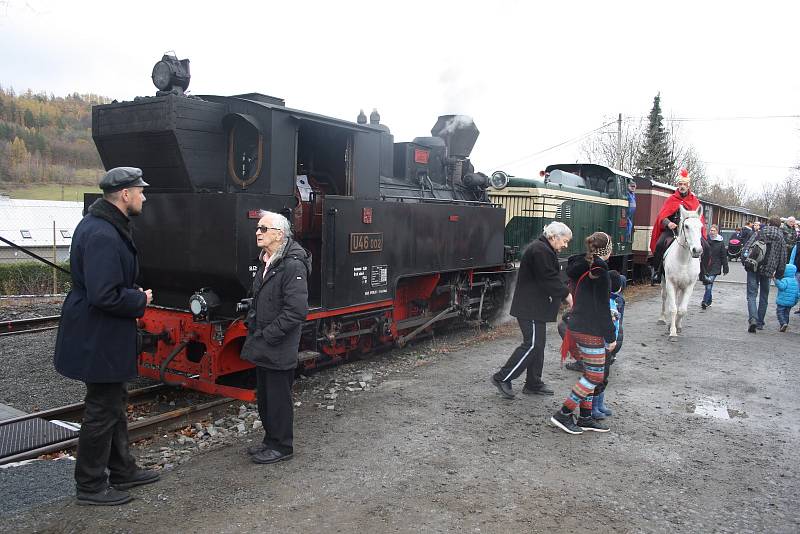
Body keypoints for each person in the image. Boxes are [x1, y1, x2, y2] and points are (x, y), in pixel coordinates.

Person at [53, 167, 159, 506]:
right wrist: (139, 299)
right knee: (102, 409)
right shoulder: (102, 233)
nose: (144, 196)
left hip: (103, 334)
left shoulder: (105, 225)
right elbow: (104, 295)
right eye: (140, 191)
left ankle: (122, 469)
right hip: (98, 335)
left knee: (114, 402)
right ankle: (90, 485)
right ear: (124, 195)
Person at [241, 210, 310, 464]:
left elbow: (296, 311)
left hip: (278, 344)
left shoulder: (292, 265)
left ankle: (282, 446)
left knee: (279, 398)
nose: (258, 232)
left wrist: (268, 334)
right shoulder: (268, 261)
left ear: (279, 235)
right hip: (263, 340)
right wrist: (252, 320)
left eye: (263, 229)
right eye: (258, 228)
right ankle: (270, 441)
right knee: (266, 397)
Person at [491, 221, 573, 399]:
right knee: (533, 344)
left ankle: (533, 383)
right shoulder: (540, 250)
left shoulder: (543, 249)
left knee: (538, 345)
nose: (565, 245)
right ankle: (502, 377)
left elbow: (549, 278)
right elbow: (548, 279)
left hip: (535, 307)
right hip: (531, 308)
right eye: (564, 241)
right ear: (553, 237)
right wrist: (567, 294)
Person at [550, 232, 617, 435]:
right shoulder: (600, 272)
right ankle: (563, 413)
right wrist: (611, 336)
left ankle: (586, 418)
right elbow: (602, 307)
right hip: (590, 329)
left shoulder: (584, 265)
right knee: (595, 377)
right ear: (608, 250)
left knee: (589, 373)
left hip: (578, 324)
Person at [649, 169, 710, 285]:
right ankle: (657, 272)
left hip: (689, 231)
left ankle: (704, 273)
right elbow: (662, 216)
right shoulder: (671, 199)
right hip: (672, 230)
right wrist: (668, 223)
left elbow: (698, 218)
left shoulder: (694, 200)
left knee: (706, 246)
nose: (682, 186)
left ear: (688, 186)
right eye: (680, 184)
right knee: (660, 244)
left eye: (684, 184)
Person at [592, 269, 625, 420]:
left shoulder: (616, 300)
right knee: (599, 376)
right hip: (603, 344)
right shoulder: (608, 302)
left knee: (605, 375)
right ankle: (593, 406)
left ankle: (600, 403)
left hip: (609, 345)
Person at [743, 216, 786, 333]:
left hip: (754, 266)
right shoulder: (781, 237)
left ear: (768, 223)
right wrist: (779, 274)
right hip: (768, 270)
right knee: (764, 296)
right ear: (779, 225)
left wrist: (745, 261)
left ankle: (753, 318)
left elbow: (747, 247)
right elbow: (783, 257)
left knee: (751, 294)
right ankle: (760, 322)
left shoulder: (760, 232)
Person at [701, 224, 729, 309]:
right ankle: (709, 301)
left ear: (717, 231)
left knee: (709, 284)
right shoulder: (705, 240)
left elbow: (723, 256)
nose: (712, 232)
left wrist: (725, 268)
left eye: (714, 230)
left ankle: (705, 301)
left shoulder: (720, 242)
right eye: (711, 230)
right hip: (706, 266)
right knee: (708, 285)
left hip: (715, 266)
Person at [774, 262, 798, 332]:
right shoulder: (795, 281)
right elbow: (797, 293)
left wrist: (776, 281)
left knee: (780, 312)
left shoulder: (785, 280)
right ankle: (785, 324)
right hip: (790, 303)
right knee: (786, 314)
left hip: (782, 301)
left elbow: (781, 286)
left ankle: (783, 323)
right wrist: (795, 301)